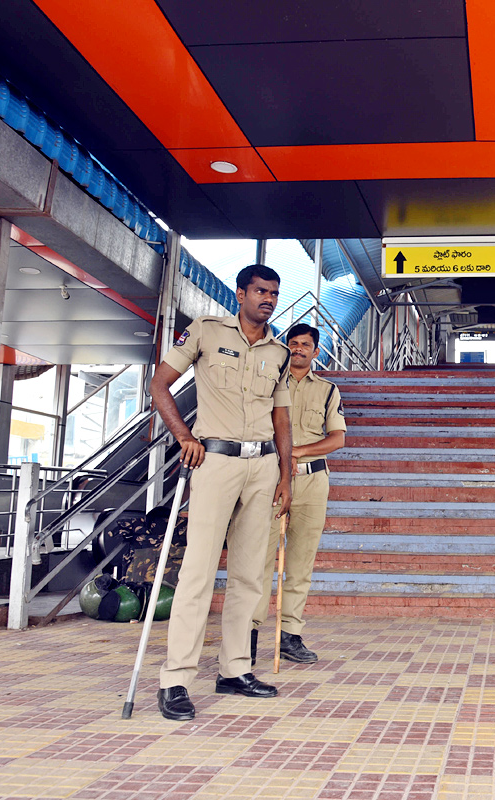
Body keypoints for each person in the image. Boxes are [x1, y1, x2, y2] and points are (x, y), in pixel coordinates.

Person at [149, 264, 293, 722]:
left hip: (263, 466)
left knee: (250, 576)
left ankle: (234, 670)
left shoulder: (281, 351)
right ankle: (175, 679)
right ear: (240, 294)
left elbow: (282, 419)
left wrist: (286, 476)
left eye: (273, 293)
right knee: (198, 572)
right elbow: (159, 385)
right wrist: (183, 437)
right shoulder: (206, 332)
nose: (267, 299)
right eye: (260, 291)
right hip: (214, 461)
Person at [251, 323, 346, 665]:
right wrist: (282, 458)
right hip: (271, 479)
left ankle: (290, 635)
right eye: (293, 343)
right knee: (259, 560)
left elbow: (337, 439)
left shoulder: (327, 390)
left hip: (311, 482)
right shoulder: (268, 383)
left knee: (300, 563)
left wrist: (297, 452)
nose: (299, 349)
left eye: (306, 344)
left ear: (316, 351)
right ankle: (247, 634)